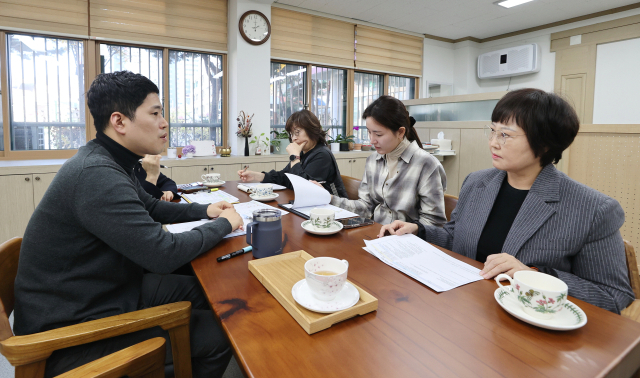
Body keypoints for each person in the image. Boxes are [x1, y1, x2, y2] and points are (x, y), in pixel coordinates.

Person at [13, 71, 243, 377]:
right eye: (156, 113)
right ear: (119, 122)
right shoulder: (97, 174)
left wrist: (206, 211)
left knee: (211, 293)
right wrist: (224, 224)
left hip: (102, 291)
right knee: (219, 333)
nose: (164, 123)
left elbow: (149, 206)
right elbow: (163, 254)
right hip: (70, 332)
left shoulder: (108, 160)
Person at [378, 88, 635, 314]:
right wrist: (419, 231)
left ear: (545, 144)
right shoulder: (477, 183)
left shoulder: (593, 209)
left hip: (530, 332)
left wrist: (533, 275)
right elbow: (456, 239)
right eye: (492, 131)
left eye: (505, 135)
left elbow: (613, 296)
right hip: (464, 310)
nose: (493, 143)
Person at [327, 95, 447, 227]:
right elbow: (366, 207)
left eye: (378, 134)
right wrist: (330, 198)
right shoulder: (373, 160)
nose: (372, 140)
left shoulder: (427, 165)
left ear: (401, 132)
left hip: (407, 241)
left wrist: (410, 230)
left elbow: (434, 224)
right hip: (376, 234)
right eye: (369, 132)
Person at [238, 110, 348, 197]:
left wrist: (294, 158)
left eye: (297, 132)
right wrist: (257, 176)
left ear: (311, 130)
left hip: (335, 211)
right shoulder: (305, 152)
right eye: (291, 134)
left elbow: (304, 187)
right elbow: (285, 177)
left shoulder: (322, 155)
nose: (294, 138)